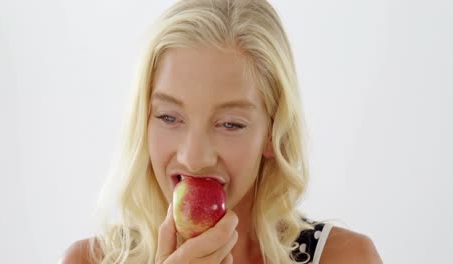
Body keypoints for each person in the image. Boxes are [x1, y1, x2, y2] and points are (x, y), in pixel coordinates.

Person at [61, 0, 382, 263]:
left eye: (230, 124)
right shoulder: (87, 260)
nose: (194, 158)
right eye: (169, 117)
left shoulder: (344, 258)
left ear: (273, 133)